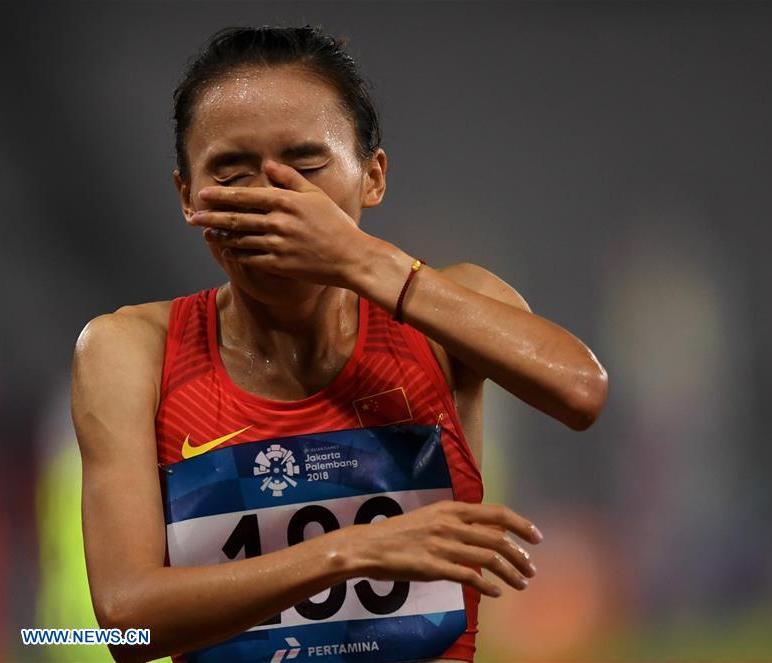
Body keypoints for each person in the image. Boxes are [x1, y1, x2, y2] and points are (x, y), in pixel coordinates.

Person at [70, 25, 608, 663]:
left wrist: (358, 258)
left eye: (305, 168)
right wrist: (350, 552)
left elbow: (581, 391)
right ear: (188, 197)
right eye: (232, 172)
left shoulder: (445, 315)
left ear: (372, 177)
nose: (271, 199)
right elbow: (121, 626)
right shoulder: (132, 351)